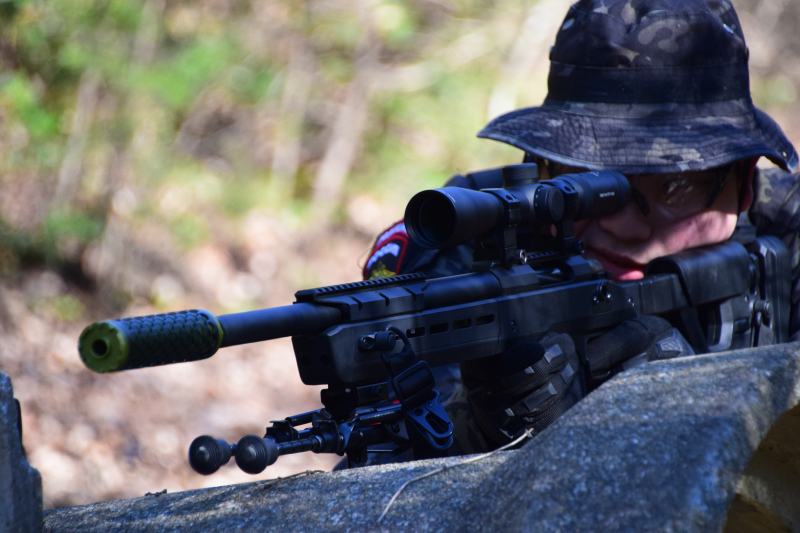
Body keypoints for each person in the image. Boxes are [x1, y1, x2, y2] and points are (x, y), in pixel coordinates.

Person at [362, 0, 800, 456]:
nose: (622, 223)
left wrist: (702, 403)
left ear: (743, 182)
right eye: (583, 179)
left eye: (675, 186)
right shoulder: (461, 236)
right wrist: (484, 432)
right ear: (541, 167)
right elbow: (366, 478)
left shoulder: (788, 228)